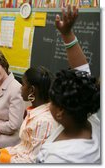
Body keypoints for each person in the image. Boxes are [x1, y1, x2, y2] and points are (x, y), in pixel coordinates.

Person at [35, 5, 100, 163]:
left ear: (60, 112)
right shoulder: (91, 120)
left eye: (51, 101)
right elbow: (82, 72)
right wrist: (67, 33)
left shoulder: (58, 158)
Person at [0, 66, 58, 163]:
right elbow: (24, 148)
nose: (21, 88)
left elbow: (34, 161)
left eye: (23, 84)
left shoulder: (43, 121)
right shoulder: (34, 112)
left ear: (32, 90)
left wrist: (1, 158)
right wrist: (0, 152)